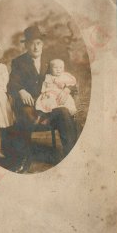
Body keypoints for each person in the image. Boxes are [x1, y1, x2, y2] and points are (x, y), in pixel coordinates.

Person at [8, 26, 77, 173]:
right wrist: (21, 90)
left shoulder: (52, 61)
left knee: (64, 113)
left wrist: (66, 89)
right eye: (32, 43)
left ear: (42, 44)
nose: (35, 46)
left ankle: (71, 157)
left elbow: (69, 78)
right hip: (31, 105)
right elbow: (12, 83)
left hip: (52, 105)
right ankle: (24, 159)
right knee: (25, 114)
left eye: (38, 43)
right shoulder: (19, 62)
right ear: (26, 45)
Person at [35, 59, 77, 124]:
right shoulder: (48, 77)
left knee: (64, 105)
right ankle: (39, 117)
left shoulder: (65, 76)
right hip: (50, 94)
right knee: (45, 103)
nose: (58, 69)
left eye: (60, 67)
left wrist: (64, 86)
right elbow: (44, 85)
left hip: (61, 95)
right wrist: (44, 93)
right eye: (55, 67)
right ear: (50, 69)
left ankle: (49, 119)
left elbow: (72, 83)